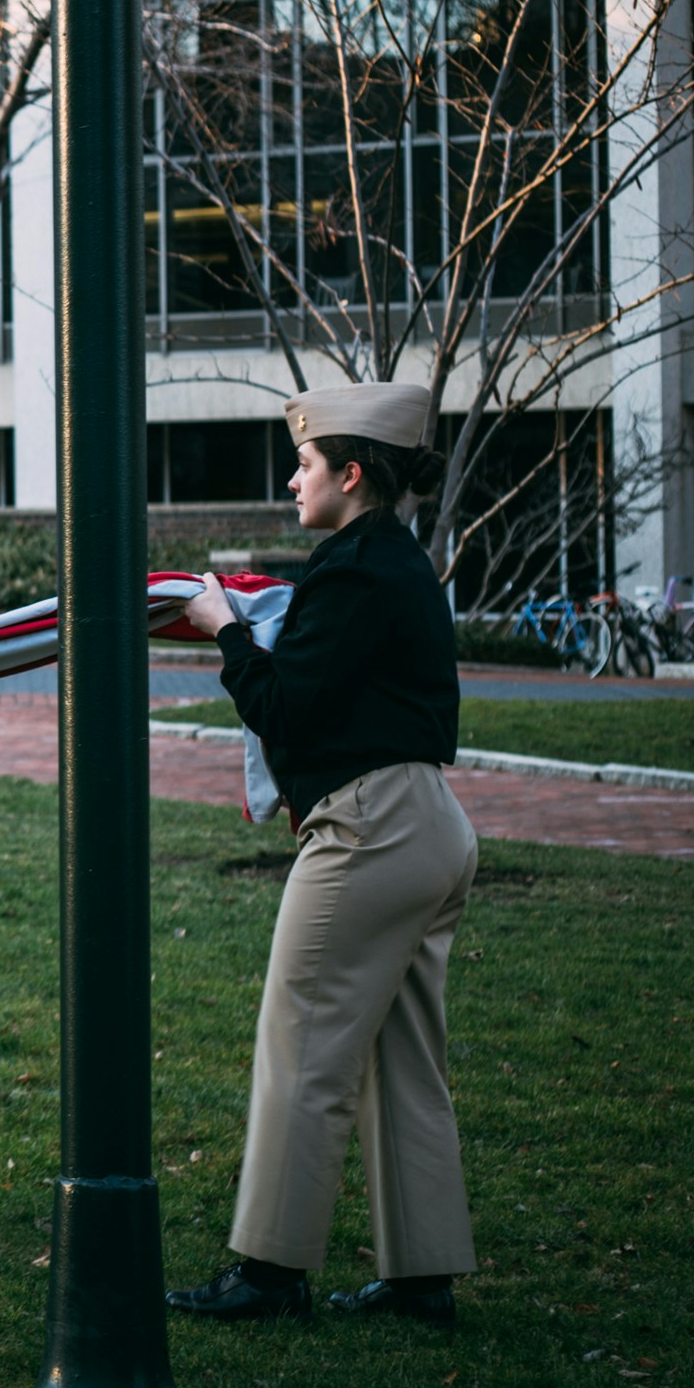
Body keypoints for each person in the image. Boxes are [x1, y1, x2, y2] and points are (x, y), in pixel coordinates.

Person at [170, 382, 476, 1327]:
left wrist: (224, 632)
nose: (292, 479)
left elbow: (285, 708)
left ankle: (268, 1271)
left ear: (350, 474)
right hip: (430, 825)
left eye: (305, 464)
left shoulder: (353, 571)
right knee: (403, 1054)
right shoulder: (395, 564)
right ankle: (421, 1281)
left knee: (301, 1036)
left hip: (371, 829)